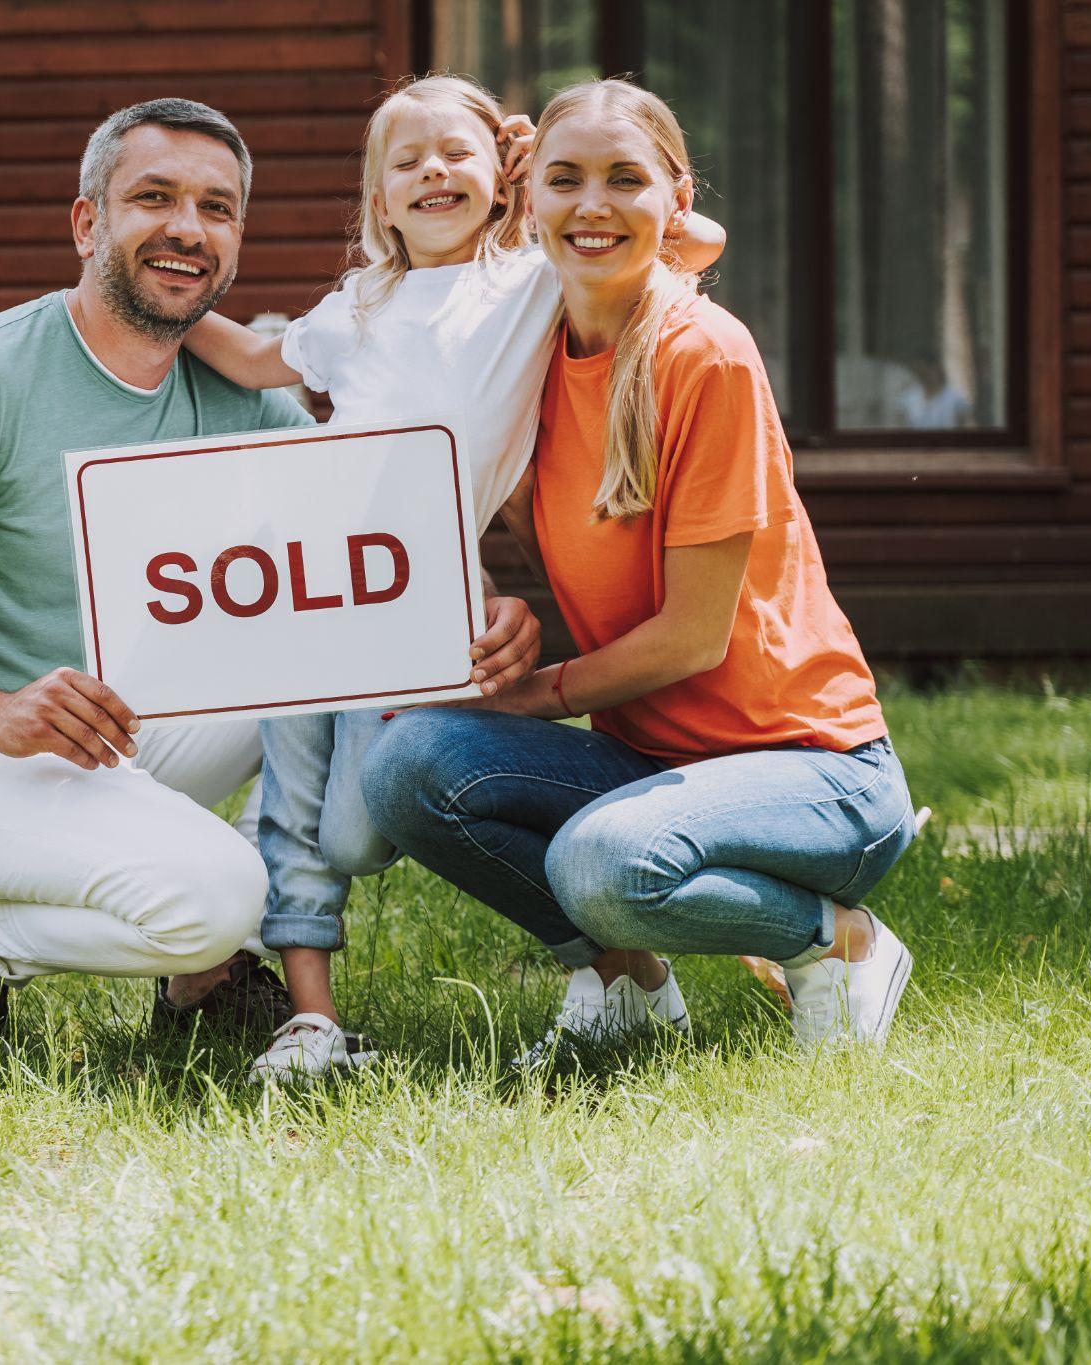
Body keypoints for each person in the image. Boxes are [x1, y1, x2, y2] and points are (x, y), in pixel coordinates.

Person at [0, 97, 545, 1054]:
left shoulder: (233, 396)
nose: (187, 227)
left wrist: (480, 612)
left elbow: (366, 546)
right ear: (88, 221)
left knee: (307, 660)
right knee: (226, 893)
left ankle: (196, 985)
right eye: (154, 198)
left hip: (113, 720)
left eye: (217, 208)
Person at [360, 79, 917, 1062]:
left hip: (814, 775)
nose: (591, 205)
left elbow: (691, 635)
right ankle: (628, 987)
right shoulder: (523, 357)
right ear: (525, 197)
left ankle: (840, 943)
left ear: (674, 198)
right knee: (407, 766)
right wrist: (510, 618)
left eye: (625, 180)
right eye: (564, 180)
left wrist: (532, 695)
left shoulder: (706, 355)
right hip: (652, 762)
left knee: (600, 864)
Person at [181, 75, 723, 1082]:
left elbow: (694, 246)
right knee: (294, 801)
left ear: (500, 179)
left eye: (457, 154)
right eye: (406, 160)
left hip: (415, 604)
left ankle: (619, 960)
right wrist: (163, 305)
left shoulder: (527, 282)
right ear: (377, 201)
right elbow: (257, 360)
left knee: (357, 829)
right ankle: (308, 1019)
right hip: (306, 581)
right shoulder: (354, 304)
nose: (433, 171)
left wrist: (545, 169)